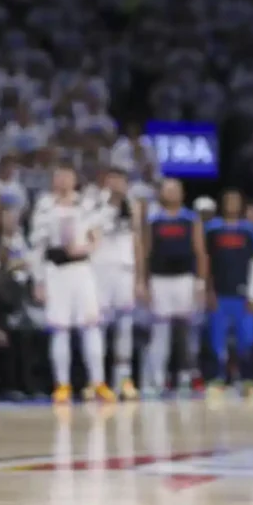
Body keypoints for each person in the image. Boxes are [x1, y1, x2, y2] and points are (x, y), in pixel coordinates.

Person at [30, 164, 113, 404]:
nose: (64, 180)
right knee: (60, 328)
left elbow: (98, 235)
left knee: (91, 326)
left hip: (82, 270)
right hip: (56, 272)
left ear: (75, 180)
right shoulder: (44, 206)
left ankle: (98, 382)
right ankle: (62, 384)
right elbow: (38, 247)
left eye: (68, 176)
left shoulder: (86, 204)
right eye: (59, 176)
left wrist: (85, 248)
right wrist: (39, 281)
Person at [140, 179, 208, 397]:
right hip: (160, 280)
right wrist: (144, 281)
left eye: (175, 189)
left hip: (185, 280)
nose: (171, 193)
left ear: (182, 193)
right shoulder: (153, 219)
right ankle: (158, 378)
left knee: (186, 331)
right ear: (161, 193)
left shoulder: (190, 219)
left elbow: (200, 251)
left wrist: (201, 282)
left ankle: (187, 376)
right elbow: (146, 252)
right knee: (160, 331)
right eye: (167, 189)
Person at [204, 189, 253, 398]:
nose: (232, 204)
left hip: (243, 298)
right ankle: (217, 379)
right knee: (216, 340)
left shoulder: (250, 231)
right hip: (220, 295)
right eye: (228, 201)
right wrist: (208, 291)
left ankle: (247, 380)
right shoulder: (212, 230)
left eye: (235, 201)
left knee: (246, 340)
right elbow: (206, 262)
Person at [93, 167, 142, 400]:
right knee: (98, 326)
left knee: (125, 324)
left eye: (121, 180)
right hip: (100, 270)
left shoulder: (133, 206)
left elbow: (138, 242)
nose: (117, 184)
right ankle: (97, 380)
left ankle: (123, 379)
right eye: (112, 179)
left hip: (125, 269)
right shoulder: (93, 204)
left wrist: (141, 278)